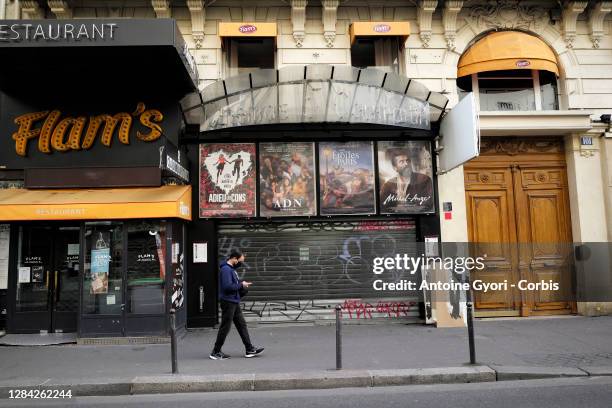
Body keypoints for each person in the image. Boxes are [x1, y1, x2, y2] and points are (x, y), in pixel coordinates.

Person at [209, 250, 264, 360]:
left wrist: (241, 286)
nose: (240, 263)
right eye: (239, 261)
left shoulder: (231, 269)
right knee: (225, 327)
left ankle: (249, 349)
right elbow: (227, 287)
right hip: (228, 302)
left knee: (241, 325)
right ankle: (215, 351)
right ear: (234, 258)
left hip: (233, 301)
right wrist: (241, 285)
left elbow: (233, 285)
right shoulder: (226, 270)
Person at [380, 148, 433, 213]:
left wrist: (406, 203)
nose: (406, 164)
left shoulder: (424, 179)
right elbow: (383, 208)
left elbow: (428, 204)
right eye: (401, 162)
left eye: (407, 161)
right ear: (395, 168)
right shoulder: (388, 185)